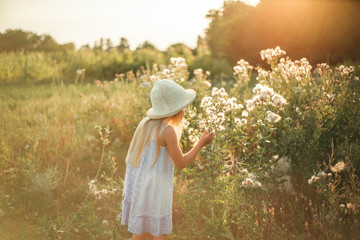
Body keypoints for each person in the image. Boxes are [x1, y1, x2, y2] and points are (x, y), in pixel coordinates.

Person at [117, 79, 215, 239]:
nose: (185, 110)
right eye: (182, 106)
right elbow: (181, 163)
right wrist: (201, 143)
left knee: (141, 233)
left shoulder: (146, 124)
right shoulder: (167, 131)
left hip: (142, 186)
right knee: (160, 234)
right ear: (173, 109)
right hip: (156, 190)